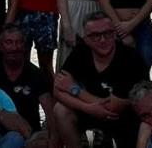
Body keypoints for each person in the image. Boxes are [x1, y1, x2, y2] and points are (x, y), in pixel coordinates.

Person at [50, 12, 145, 148]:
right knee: (60, 109)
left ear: (114, 34)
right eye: (95, 35)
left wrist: (74, 89)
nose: (102, 40)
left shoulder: (130, 59)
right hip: (90, 112)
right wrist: (88, 108)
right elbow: (57, 90)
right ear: (85, 38)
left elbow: (113, 107)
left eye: (107, 33)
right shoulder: (80, 51)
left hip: (122, 120)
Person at [0, 23, 55, 140]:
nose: (14, 47)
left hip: (29, 136)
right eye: (9, 42)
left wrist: (53, 139)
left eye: (18, 42)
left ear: (24, 46)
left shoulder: (36, 74)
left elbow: (49, 111)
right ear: (1, 46)